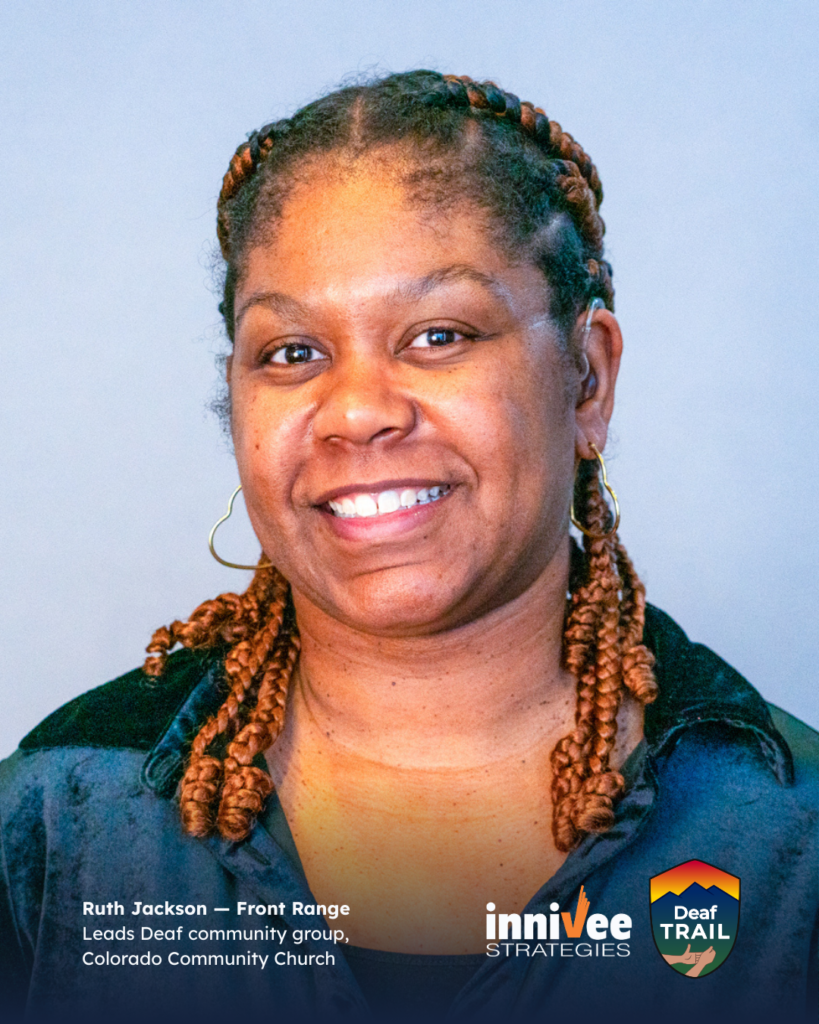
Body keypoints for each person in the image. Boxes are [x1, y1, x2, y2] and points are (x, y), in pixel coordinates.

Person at [1, 71, 816, 1024]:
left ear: (585, 379)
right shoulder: (60, 824)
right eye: (291, 352)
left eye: (438, 334)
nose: (355, 412)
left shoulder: (785, 836)